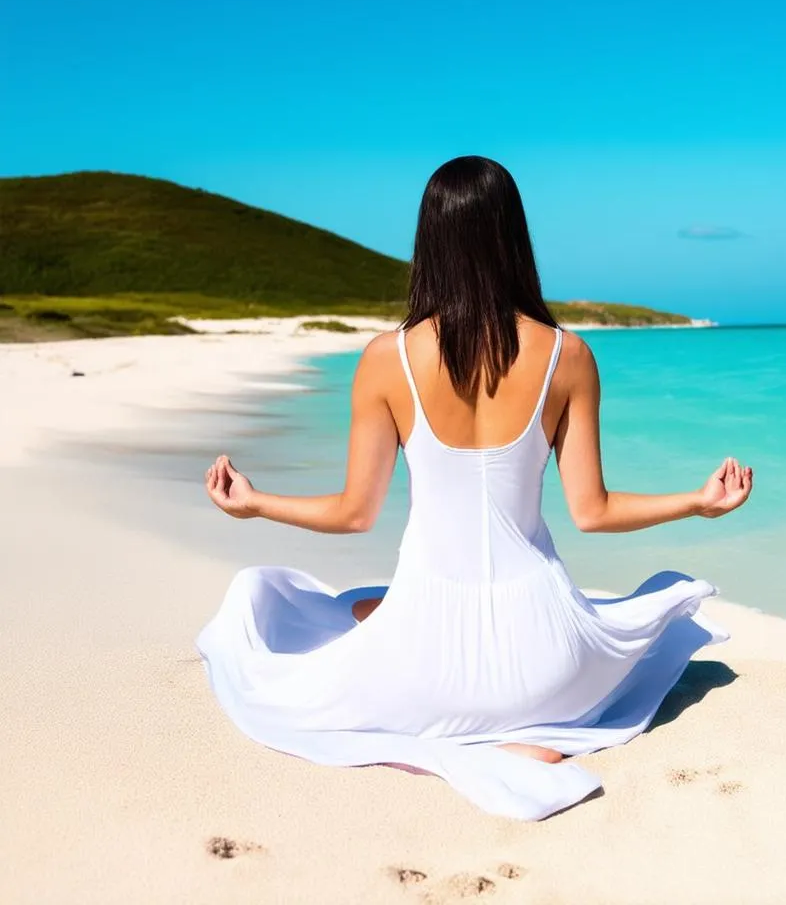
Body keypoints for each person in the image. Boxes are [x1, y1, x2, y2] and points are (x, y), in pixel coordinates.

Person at [199, 156, 753, 820]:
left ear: (428, 242)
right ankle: (536, 734)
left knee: (273, 600)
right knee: (630, 619)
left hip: (424, 673)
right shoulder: (566, 355)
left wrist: (255, 502)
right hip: (549, 665)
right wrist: (697, 501)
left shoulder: (389, 358)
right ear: (512, 237)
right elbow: (594, 512)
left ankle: (479, 730)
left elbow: (353, 515)